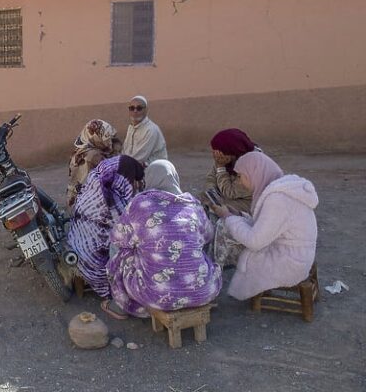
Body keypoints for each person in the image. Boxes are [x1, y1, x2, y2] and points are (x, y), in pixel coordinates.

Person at [103, 160, 222, 319]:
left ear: (149, 179)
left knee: (120, 253)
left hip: (156, 296)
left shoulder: (139, 204)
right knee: (198, 250)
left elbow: (117, 238)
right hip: (204, 292)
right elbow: (208, 236)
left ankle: (121, 303)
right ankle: (192, 289)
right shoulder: (193, 205)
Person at [210, 152, 318, 301]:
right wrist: (239, 216)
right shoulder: (282, 189)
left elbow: (255, 242)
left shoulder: (277, 199)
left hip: (289, 264)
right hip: (297, 255)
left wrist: (227, 217)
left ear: (254, 173)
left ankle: (211, 280)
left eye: (241, 176)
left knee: (224, 228)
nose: (240, 182)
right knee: (231, 226)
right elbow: (268, 226)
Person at [67, 155, 145, 298]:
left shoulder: (94, 181)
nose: (132, 184)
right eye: (131, 180)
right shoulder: (112, 200)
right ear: (125, 178)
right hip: (95, 263)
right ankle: (120, 292)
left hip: (76, 246)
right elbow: (130, 232)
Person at [202, 128, 260, 267]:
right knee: (202, 203)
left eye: (217, 151)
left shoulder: (253, 164)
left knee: (219, 211)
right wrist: (212, 193)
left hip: (248, 203)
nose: (215, 155)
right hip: (226, 197)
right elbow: (210, 179)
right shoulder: (223, 156)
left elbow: (230, 192)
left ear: (232, 151)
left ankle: (219, 260)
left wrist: (221, 168)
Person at [66, 119, 122, 209]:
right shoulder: (95, 156)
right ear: (96, 137)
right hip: (89, 204)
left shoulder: (79, 151)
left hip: (73, 198)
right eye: (106, 138)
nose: (109, 142)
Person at [122, 95, 167, 166]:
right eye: (132, 108)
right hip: (136, 165)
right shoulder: (131, 127)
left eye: (139, 108)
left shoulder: (151, 130)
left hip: (154, 169)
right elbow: (125, 151)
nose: (135, 111)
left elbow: (139, 157)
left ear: (146, 110)